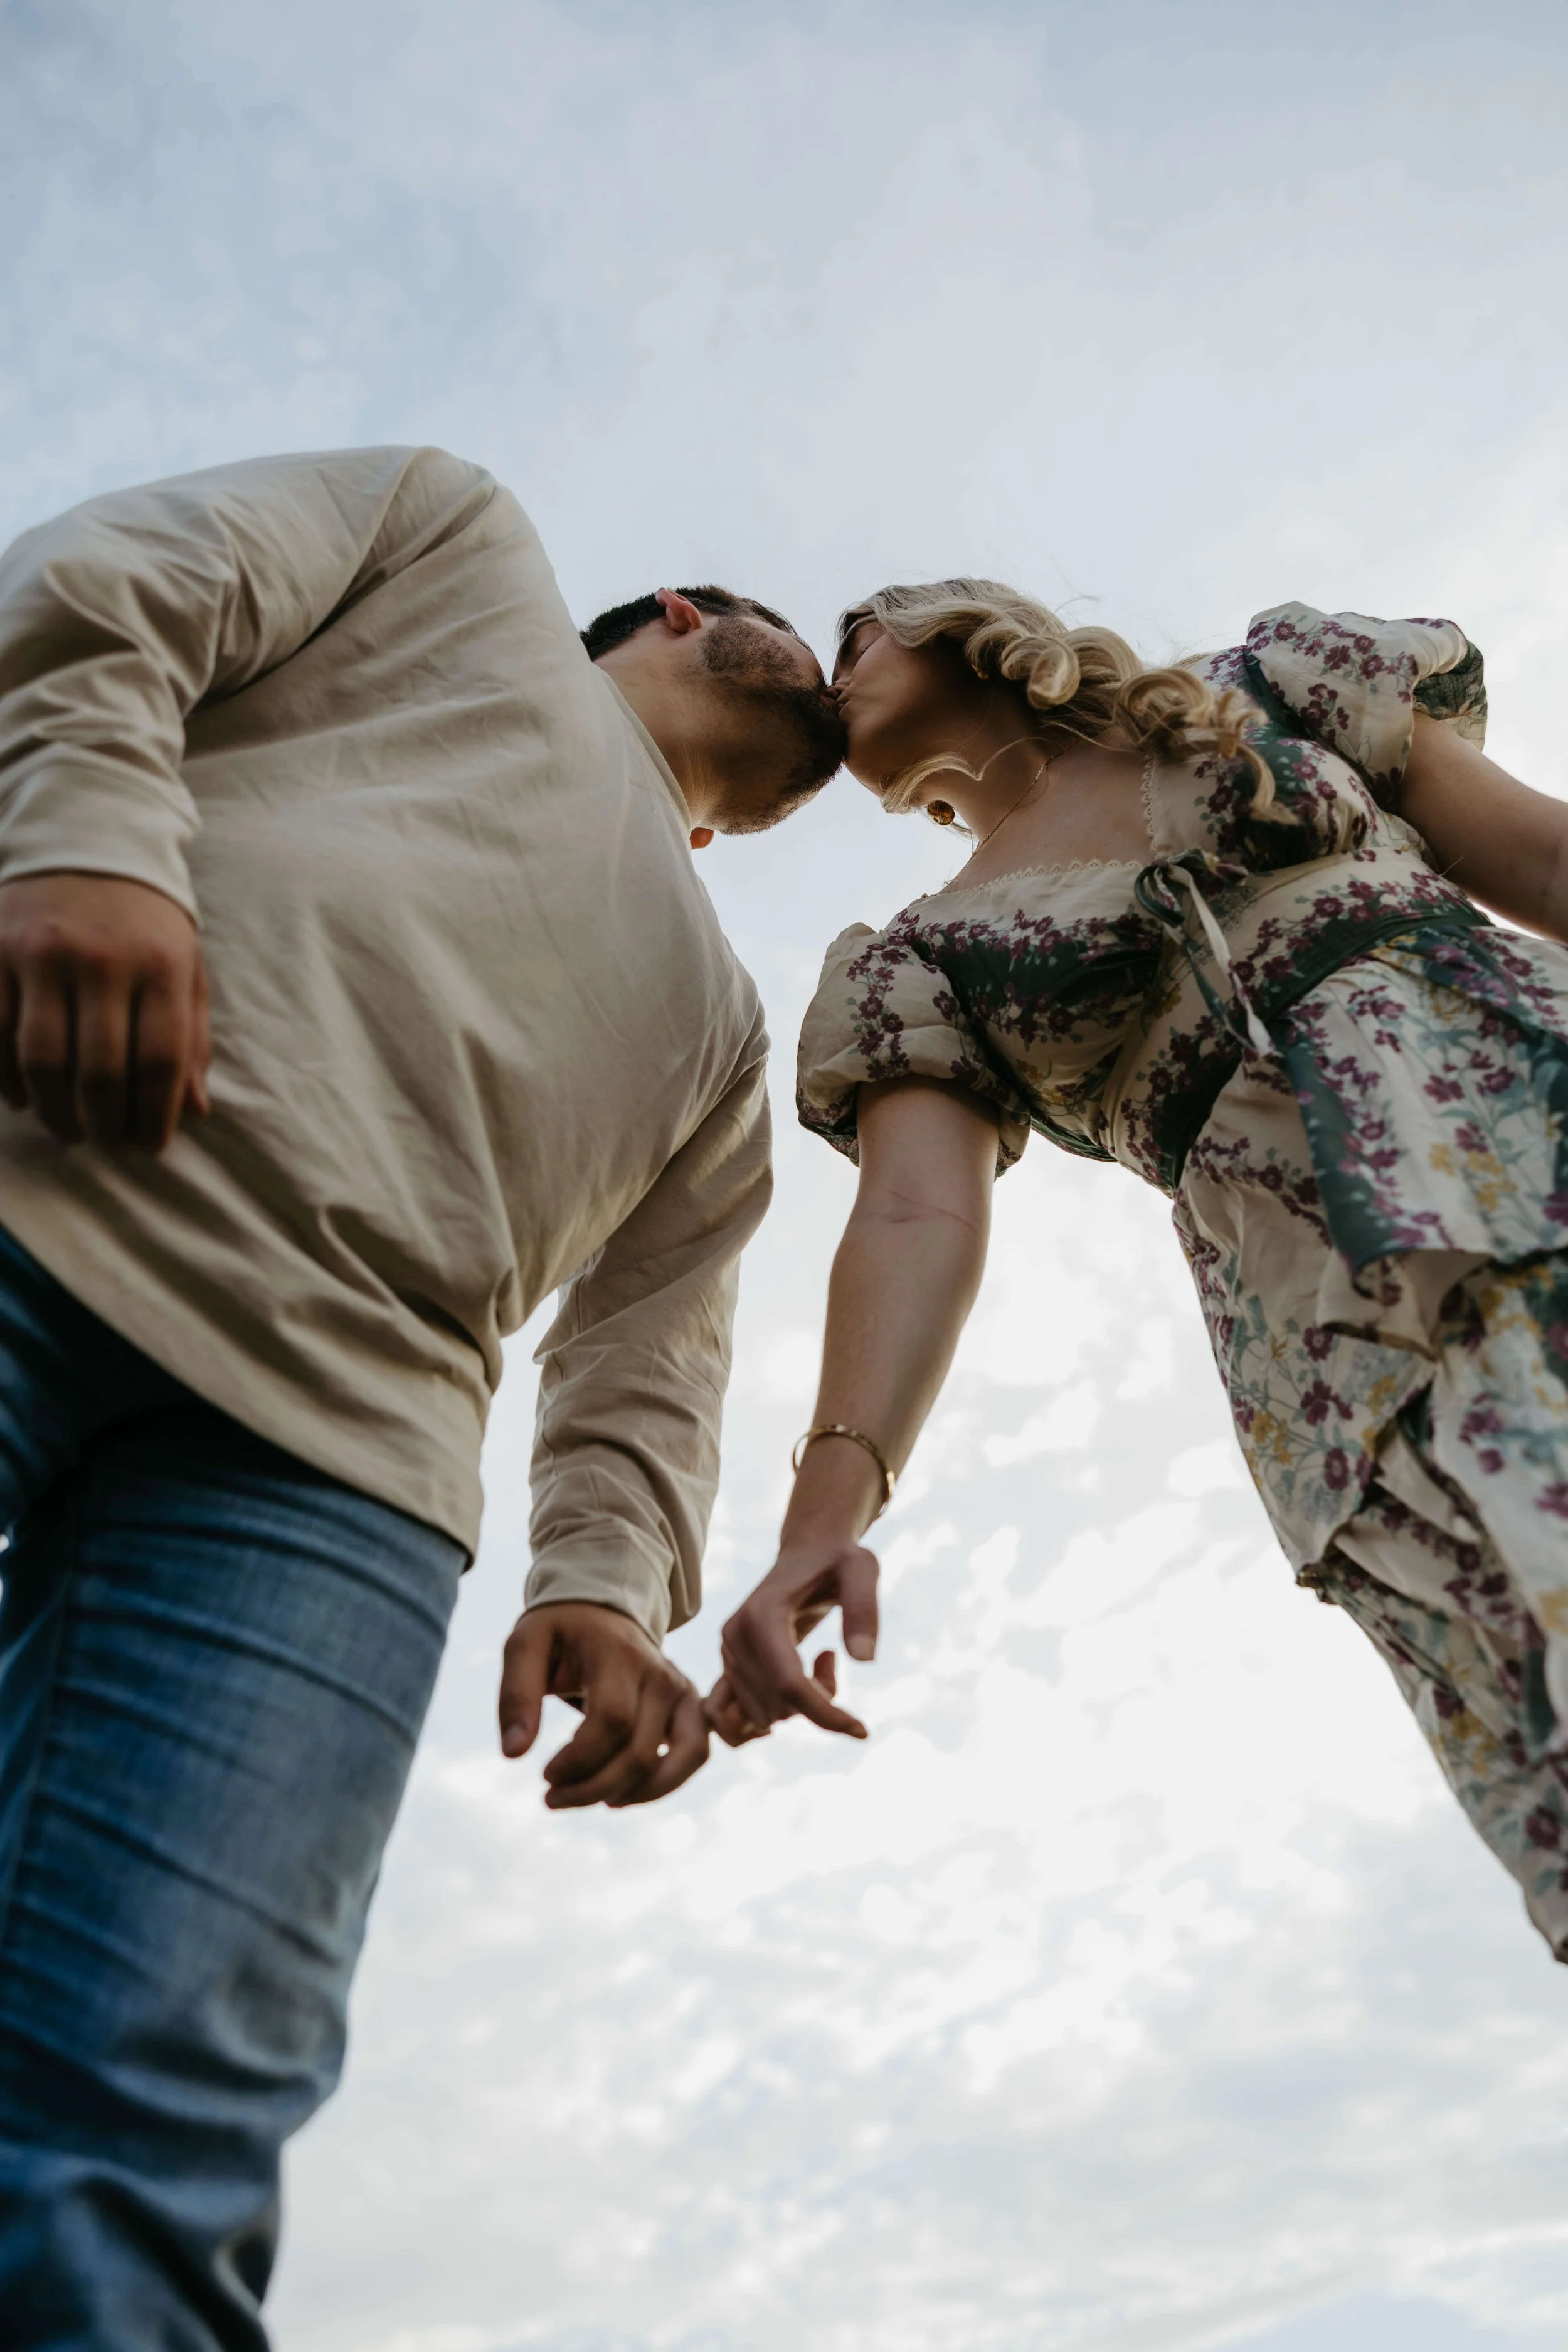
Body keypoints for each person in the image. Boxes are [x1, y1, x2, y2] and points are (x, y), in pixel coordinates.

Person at [0, 443, 844, 2346]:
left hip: (334, 1467)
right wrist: (88, 840)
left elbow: (652, 1344)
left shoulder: (717, 1030)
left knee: (149, 2131)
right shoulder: (455, 540)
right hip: (41, 1173)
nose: (829, 683)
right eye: (789, 634)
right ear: (684, 617)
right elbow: (125, 574)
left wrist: (610, 1583)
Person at [710, 578, 1568, 1962]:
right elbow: (915, 1223)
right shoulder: (920, 964)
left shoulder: (1264, 692)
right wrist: (822, 1521)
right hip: (1333, 1316)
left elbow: (1537, 862)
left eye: (860, 625)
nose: (837, 662)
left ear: (958, 618)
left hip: (1523, 1099)